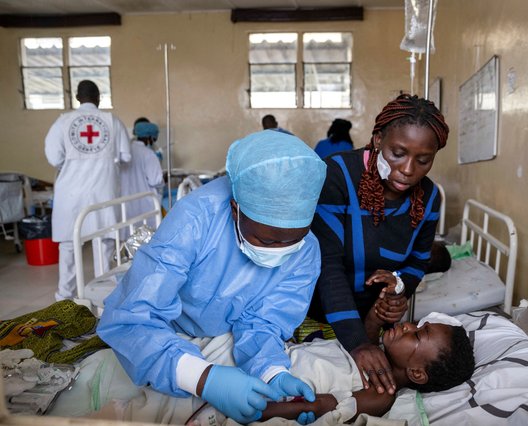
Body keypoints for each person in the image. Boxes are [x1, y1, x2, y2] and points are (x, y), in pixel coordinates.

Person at [97, 130, 327, 424]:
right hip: (167, 332)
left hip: (227, 335)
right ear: (235, 210)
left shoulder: (306, 249)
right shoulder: (195, 221)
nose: (281, 252)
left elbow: (266, 320)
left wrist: (272, 371)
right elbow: (131, 318)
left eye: (292, 241)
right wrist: (201, 377)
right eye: (267, 241)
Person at [307, 94, 449, 396]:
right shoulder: (336, 176)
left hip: (375, 321)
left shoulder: (429, 198)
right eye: (397, 153)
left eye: (424, 160)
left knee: (372, 393)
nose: (409, 169)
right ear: (377, 139)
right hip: (320, 311)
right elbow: (326, 265)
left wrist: (398, 289)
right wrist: (357, 343)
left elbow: (417, 263)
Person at [187, 311, 474, 424]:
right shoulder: (371, 348)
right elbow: (362, 333)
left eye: (417, 334)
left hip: (266, 386)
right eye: (418, 323)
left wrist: (257, 412)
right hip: (269, 357)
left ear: (417, 373)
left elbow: (321, 406)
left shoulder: (382, 393)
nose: (409, 325)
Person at [44, 80, 131, 302]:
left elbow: (54, 157)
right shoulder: (112, 121)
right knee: (104, 242)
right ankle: (103, 297)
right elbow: (126, 156)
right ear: (99, 97)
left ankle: (64, 298)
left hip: (69, 193)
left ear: (77, 97)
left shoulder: (62, 122)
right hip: (102, 192)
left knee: (68, 246)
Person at [120, 121, 164, 237]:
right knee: (145, 238)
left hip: (125, 205)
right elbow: (156, 180)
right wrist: (164, 179)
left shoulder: (125, 151)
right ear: (150, 137)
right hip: (146, 205)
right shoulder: (148, 154)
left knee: (127, 240)